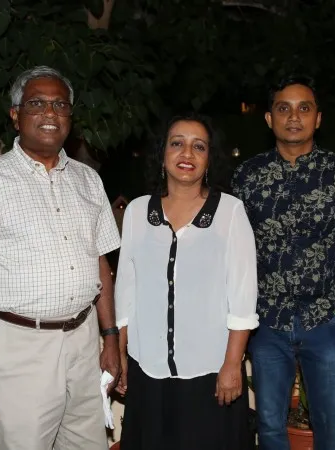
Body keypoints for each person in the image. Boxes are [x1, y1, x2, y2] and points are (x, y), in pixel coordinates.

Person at [232, 75, 335, 450]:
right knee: (270, 427)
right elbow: (236, 248)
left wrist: (318, 277)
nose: (294, 117)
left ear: (318, 118)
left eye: (304, 108)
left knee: (334, 428)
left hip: (323, 318)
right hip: (265, 321)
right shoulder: (247, 176)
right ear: (269, 119)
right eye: (283, 108)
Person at [0, 66, 121, 450]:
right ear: (15, 116)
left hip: (84, 341)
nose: (50, 112)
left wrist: (110, 338)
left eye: (60, 105)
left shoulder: (88, 179)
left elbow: (100, 263)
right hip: (18, 348)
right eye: (37, 104)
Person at [114, 113, 259, 450]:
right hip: (147, 369)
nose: (187, 154)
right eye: (177, 143)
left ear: (209, 159)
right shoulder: (137, 212)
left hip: (210, 371)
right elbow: (125, 290)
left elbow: (243, 296)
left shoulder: (230, 212)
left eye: (199, 146)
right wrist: (120, 353)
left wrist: (232, 364)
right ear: (162, 154)